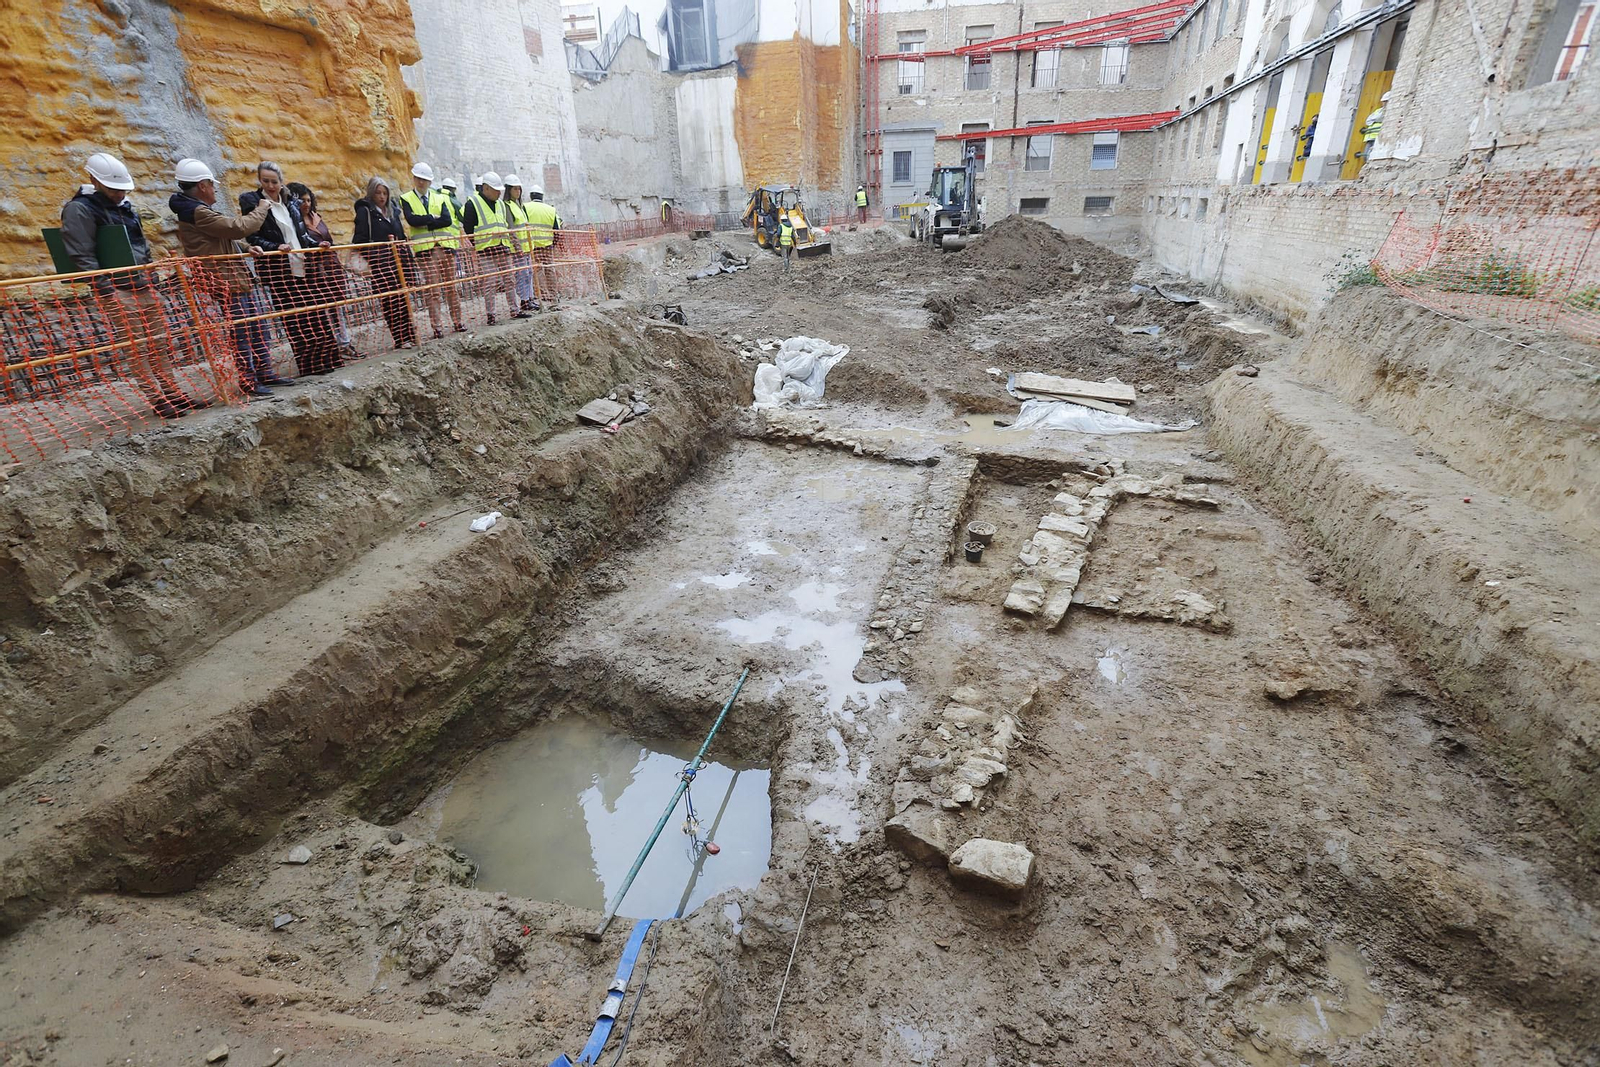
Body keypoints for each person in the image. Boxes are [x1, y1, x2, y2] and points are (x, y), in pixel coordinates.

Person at [61, 152, 201, 418]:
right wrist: (105, 289)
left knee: (159, 344)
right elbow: (81, 254)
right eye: (113, 188)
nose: (118, 193)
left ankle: (172, 392)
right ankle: (157, 399)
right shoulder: (79, 209)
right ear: (94, 179)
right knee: (137, 348)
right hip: (117, 289)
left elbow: (140, 246)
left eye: (121, 188)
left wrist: (152, 281)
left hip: (143, 285)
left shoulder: (125, 206)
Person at [168, 158, 279, 398]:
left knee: (257, 328)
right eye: (211, 183)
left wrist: (243, 248)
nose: (215, 188)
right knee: (243, 333)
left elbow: (220, 240)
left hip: (235, 279)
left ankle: (265, 372)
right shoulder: (197, 212)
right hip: (227, 282)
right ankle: (250, 380)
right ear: (202, 186)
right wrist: (262, 207)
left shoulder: (196, 211)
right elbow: (237, 227)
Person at [241, 161, 338, 376]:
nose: (270, 185)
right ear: (260, 181)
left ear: (281, 182)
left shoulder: (290, 203)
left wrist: (315, 245)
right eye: (266, 181)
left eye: (274, 181)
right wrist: (275, 247)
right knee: (295, 320)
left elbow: (300, 235)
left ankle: (325, 360)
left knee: (314, 315)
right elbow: (253, 235)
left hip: (302, 264)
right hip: (280, 271)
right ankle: (308, 365)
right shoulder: (254, 202)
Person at [287, 181, 354, 363]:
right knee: (322, 310)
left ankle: (345, 343)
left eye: (309, 200)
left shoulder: (317, 217)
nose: (306, 204)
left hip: (331, 267)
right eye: (302, 200)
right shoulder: (296, 224)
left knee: (337, 307)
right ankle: (335, 345)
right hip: (315, 271)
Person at [399, 162, 465, 338]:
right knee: (433, 291)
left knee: (452, 288)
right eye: (419, 179)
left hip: (445, 248)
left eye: (425, 180)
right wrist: (431, 218)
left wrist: (426, 220)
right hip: (426, 252)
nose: (421, 183)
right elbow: (412, 220)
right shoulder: (407, 198)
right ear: (414, 179)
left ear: (430, 182)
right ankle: (437, 326)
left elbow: (446, 220)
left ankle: (457, 321)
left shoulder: (440, 198)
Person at [353, 176, 419, 349]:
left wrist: (407, 260)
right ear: (371, 194)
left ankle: (410, 334)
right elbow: (360, 240)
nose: (382, 197)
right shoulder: (365, 212)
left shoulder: (392, 212)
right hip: (382, 265)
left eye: (384, 193)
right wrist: (378, 256)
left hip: (399, 263)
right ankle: (400, 338)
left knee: (403, 300)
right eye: (378, 193)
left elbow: (401, 237)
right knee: (390, 303)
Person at [461, 171, 520, 325]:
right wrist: (479, 244)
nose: (499, 192)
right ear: (485, 188)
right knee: (490, 283)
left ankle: (515, 309)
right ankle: (491, 314)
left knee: (510, 279)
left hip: (503, 247)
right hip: (486, 251)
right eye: (495, 189)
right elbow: (468, 228)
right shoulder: (472, 203)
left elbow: (505, 224)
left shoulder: (500, 204)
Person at [500, 174, 536, 316]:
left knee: (529, 274)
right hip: (518, 248)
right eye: (515, 189)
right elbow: (511, 228)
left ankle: (530, 298)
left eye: (519, 189)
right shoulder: (508, 206)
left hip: (527, 247)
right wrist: (518, 246)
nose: (518, 192)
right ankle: (524, 300)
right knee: (522, 274)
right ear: (509, 190)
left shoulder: (519, 206)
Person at [523, 183, 560, 307]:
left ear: (530, 196)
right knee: (549, 270)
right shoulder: (550, 209)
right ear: (542, 196)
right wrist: (553, 243)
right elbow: (556, 229)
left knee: (537, 270)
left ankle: (543, 295)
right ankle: (553, 294)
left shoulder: (525, 207)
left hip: (533, 246)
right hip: (547, 245)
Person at [1359, 92, 1388, 158]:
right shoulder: (1378, 111)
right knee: (1366, 156)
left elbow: (1380, 118)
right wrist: (1376, 119)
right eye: (1383, 101)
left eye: (1386, 101)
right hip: (1370, 137)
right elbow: (1368, 121)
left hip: (1378, 137)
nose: (1384, 103)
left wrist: (1374, 119)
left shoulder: (1388, 111)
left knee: (1372, 156)